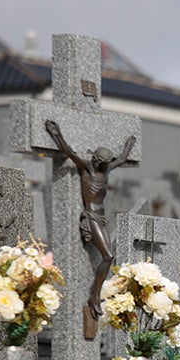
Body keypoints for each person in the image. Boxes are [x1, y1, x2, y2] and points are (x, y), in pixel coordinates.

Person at [44, 119, 137, 336]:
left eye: (106, 163)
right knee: (108, 256)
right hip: (91, 216)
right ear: (95, 160)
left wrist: (129, 145)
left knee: (108, 256)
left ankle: (96, 294)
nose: (104, 166)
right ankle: (95, 295)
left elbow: (121, 160)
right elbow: (69, 152)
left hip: (101, 217)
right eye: (101, 162)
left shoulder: (106, 170)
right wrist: (56, 134)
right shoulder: (87, 168)